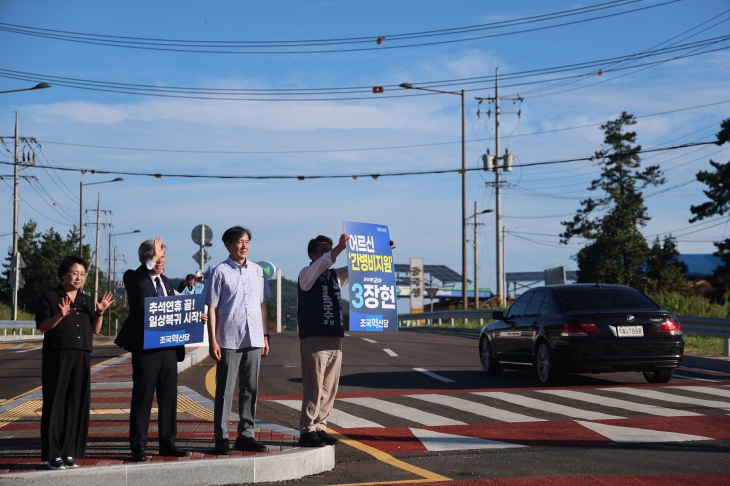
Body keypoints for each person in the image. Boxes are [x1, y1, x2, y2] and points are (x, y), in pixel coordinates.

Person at [296, 233, 394, 447]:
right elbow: (324, 262)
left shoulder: (335, 276)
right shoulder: (307, 274)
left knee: (330, 387)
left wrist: (382, 251)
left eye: (330, 249)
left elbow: (362, 269)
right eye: (324, 250)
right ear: (312, 254)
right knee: (313, 387)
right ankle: (307, 429)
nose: (329, 254)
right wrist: (339, 248)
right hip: (315, 338)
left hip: (335, 338)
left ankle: (320, 426)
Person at [114, 237, 189, 461]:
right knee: (143, 397)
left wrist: (196, 317)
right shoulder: (133, 276)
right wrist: (152, 257)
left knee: (169, 397)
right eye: (154, 256)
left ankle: (168, 443)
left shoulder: (166, 282)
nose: (159, 260)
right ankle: (138, 446)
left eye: (162, 256)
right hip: (146, 348)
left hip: (169, 348)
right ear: (144, 258)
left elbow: (176, 310)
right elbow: (136, 282)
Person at [36, 255, 114, 470]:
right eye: (74, 273)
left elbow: (96, 330)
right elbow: (43, 326)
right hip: (58, 355)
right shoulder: (50, 297)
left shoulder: (87, 300)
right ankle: (54, 455)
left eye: (82, 274)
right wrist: (60, 316)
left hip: (82, 355)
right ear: (63, 274)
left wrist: (99, 312)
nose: (79, 277)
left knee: (76, 405)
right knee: (55, 404)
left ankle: (69, 452)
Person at [206, 226, 270, 455]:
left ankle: (246, 435)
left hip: (253, 335)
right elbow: (211, 307)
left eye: (246, 241)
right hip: (228, 337)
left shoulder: (257, 271)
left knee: (250, 388)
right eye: (239, 242)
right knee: (224, 390)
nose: (244, 246)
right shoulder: (219, 271)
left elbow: (262, 305)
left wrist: (265, 335)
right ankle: (221, 437)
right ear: (228, 245)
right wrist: (212, 340)